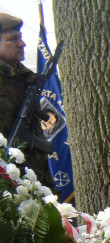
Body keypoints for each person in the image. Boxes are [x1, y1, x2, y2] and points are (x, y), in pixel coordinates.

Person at [0, 13, 53, 188]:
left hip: (36, 179)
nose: (21, 44)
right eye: (13, 39)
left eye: (20, 38)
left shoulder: (26, 79)